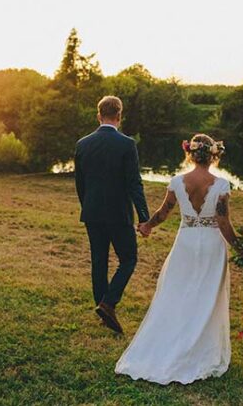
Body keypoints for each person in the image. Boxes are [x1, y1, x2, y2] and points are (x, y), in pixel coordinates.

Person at [115, 134, 237, 384]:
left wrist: (148, 226)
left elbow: (163, 213)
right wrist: (241, 247)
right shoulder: (222, 185)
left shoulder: (177, 182)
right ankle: (198, 348)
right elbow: (223, 222)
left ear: (190, 154)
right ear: (213, 155)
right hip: (212, 244)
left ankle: (176, 342)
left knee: (179, 291)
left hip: (186, 243)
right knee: (207, 295)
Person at [74, 96, 150, 334]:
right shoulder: (127, 144)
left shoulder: (82, 143)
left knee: (99, 261)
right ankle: (108, 303)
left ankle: (102, 307)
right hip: (118, 214)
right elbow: (134, 184)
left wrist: (87, 205)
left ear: (99, 115)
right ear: (119, 116)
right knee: (128, 259)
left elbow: (80, 183)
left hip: (93, 212)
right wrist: (144, 217)